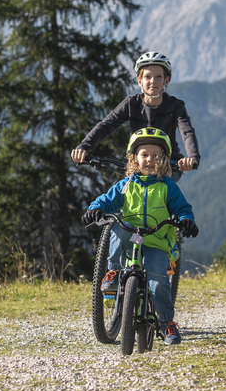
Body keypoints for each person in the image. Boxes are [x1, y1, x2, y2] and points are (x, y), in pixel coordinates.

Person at [81, 128, 199, 345]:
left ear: (164, 159)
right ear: (134, 158)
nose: (150, 160)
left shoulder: (167, 186)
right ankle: (114, 271)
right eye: (144, 155)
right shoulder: (126, 185)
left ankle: (166, 322)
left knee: (157, 281)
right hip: (129, 237)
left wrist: (186, 221)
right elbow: (106, 201)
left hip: (156, 241)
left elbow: (182, 208)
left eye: (156, 156)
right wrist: (94, 210)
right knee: (116, 226)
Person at [71, 51, 199, 181]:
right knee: (123, 195)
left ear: (166, 80)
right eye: (147, 77)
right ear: (139, 81)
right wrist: (83, 147)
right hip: (139, 163)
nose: (153, 81)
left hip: (168, 164)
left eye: (158, 76)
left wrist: (192, 157)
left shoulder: (175, 106)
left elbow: (187, 132)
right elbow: (106, 126)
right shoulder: (131, 103)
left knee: (162, 190)